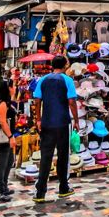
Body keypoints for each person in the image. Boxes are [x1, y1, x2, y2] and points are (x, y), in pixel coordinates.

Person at [32, 55, 79, 203]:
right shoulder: (67, 80)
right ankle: (63, 188)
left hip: (46, 123)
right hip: (62, 123)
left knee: (46, 157)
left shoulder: (43, 80)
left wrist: (38, 119)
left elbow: (37, 100)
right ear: (65, 65)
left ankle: (40, 192)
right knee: (63, 156)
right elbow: (71, 102)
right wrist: (76, 120)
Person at [0, 81, 17, 202]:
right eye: (12, 86)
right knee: (2, 164)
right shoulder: (2, 104)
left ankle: (4, 186)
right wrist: (10, 137)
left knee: (9, 162)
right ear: (8, 88)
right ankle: (0, 191)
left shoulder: (8, 103)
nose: (15, 88)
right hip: (4, 138)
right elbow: (3, 122)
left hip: (8, 136)